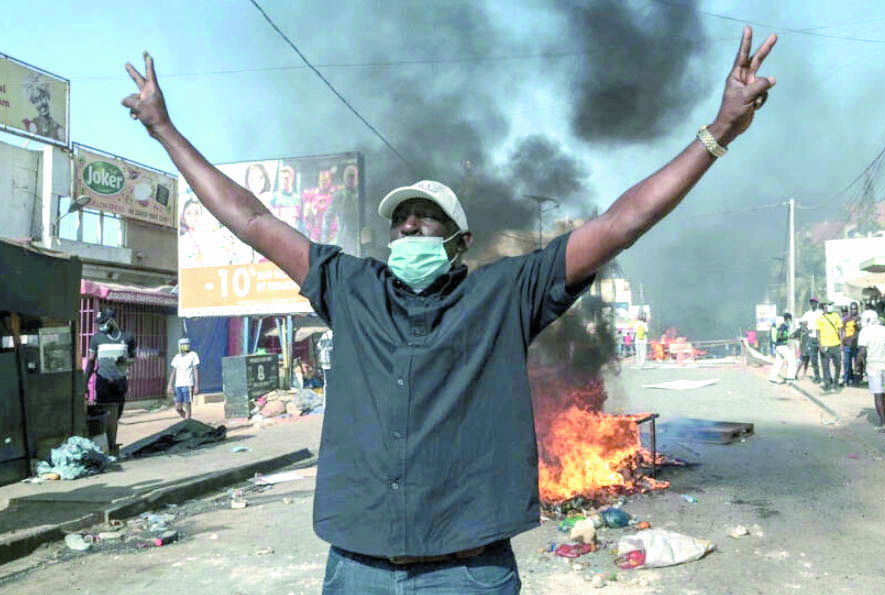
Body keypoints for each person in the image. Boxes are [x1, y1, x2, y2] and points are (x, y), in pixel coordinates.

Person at [120, 27, 776, 592]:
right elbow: (252, 217)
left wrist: (717, 132)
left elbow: (621, 221)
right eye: (401, 222)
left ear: (459, 243)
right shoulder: (349, 286)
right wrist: (163, 128)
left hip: (469, 573)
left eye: (426, 222)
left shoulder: (502, 294)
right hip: (357, 571)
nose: (410, 230)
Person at [84, 309, 137, 455]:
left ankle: (111, 443)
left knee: (116, 415)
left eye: (103, 322)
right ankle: (107, 448)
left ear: (112, 320)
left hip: (120, 383)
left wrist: (125, 361)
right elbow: (90, 361)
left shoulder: (128, 337)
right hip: (103, 382)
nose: (100, 326)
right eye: (99, 323)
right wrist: (84, 383)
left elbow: (134, 358)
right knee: (103, 416)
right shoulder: (97, 338)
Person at [167, 337, 199, 420]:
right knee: (177, 407)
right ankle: (188, 421)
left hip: (188, 384)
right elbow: (173, 372)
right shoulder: (177, 357)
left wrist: (196, 386)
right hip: (178, 386)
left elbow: (195, 370)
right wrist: (170, 385)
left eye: (186, 345)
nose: (184, 346)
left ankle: (187, 423)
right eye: (182, 345)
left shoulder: (193, 355)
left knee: (187, 405)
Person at [815, 300, 843, 393]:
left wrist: (841, 343)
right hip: (825, 345)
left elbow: (840, 330)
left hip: (836, 344)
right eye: (829, 305)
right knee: (825, 366)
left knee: (838, 365)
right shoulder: (820, 318)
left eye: (831, 305)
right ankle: (827, 384)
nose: (831, 307)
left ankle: (836, 382)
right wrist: (820, 345)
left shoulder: (836, 316)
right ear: (824, 307)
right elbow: (817, 332)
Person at [768, 313, 796, 384]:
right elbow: (779, 336)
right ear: (788, 319)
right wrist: (786, 337)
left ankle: (772, 379)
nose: (791, 321)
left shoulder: (784, 326)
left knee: (778, 363)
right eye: (790, 319)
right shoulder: (783, 326)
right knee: (791, 359)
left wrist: (791, 337)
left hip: (780, 346)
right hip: (782, 346)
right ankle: (790, 378)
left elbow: (783, 336)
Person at [800, 297, 821, 382]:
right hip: (811, 338)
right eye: (811, 302)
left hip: (821, 338)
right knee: (813, 359)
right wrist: (805, 329)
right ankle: (817, 377)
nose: (813, 304)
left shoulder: (820, 313)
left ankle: (827, 378)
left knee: (824, 358)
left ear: (817, 303)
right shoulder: (807, 314)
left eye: (814, 302)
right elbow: (801, 322)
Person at [842, 301, 861, 386]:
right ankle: (847, 379)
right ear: (850, 309)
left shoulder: (859, 318)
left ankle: (856, 380)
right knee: (847, 363)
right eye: (852, 309)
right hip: (847, 345)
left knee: (857, 363)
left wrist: (857, 325)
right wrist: (842, 343)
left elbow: (861, 330)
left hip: (856, 345)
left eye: (855, 309)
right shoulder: (846, 319)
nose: (854, 310)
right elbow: (842, 330)